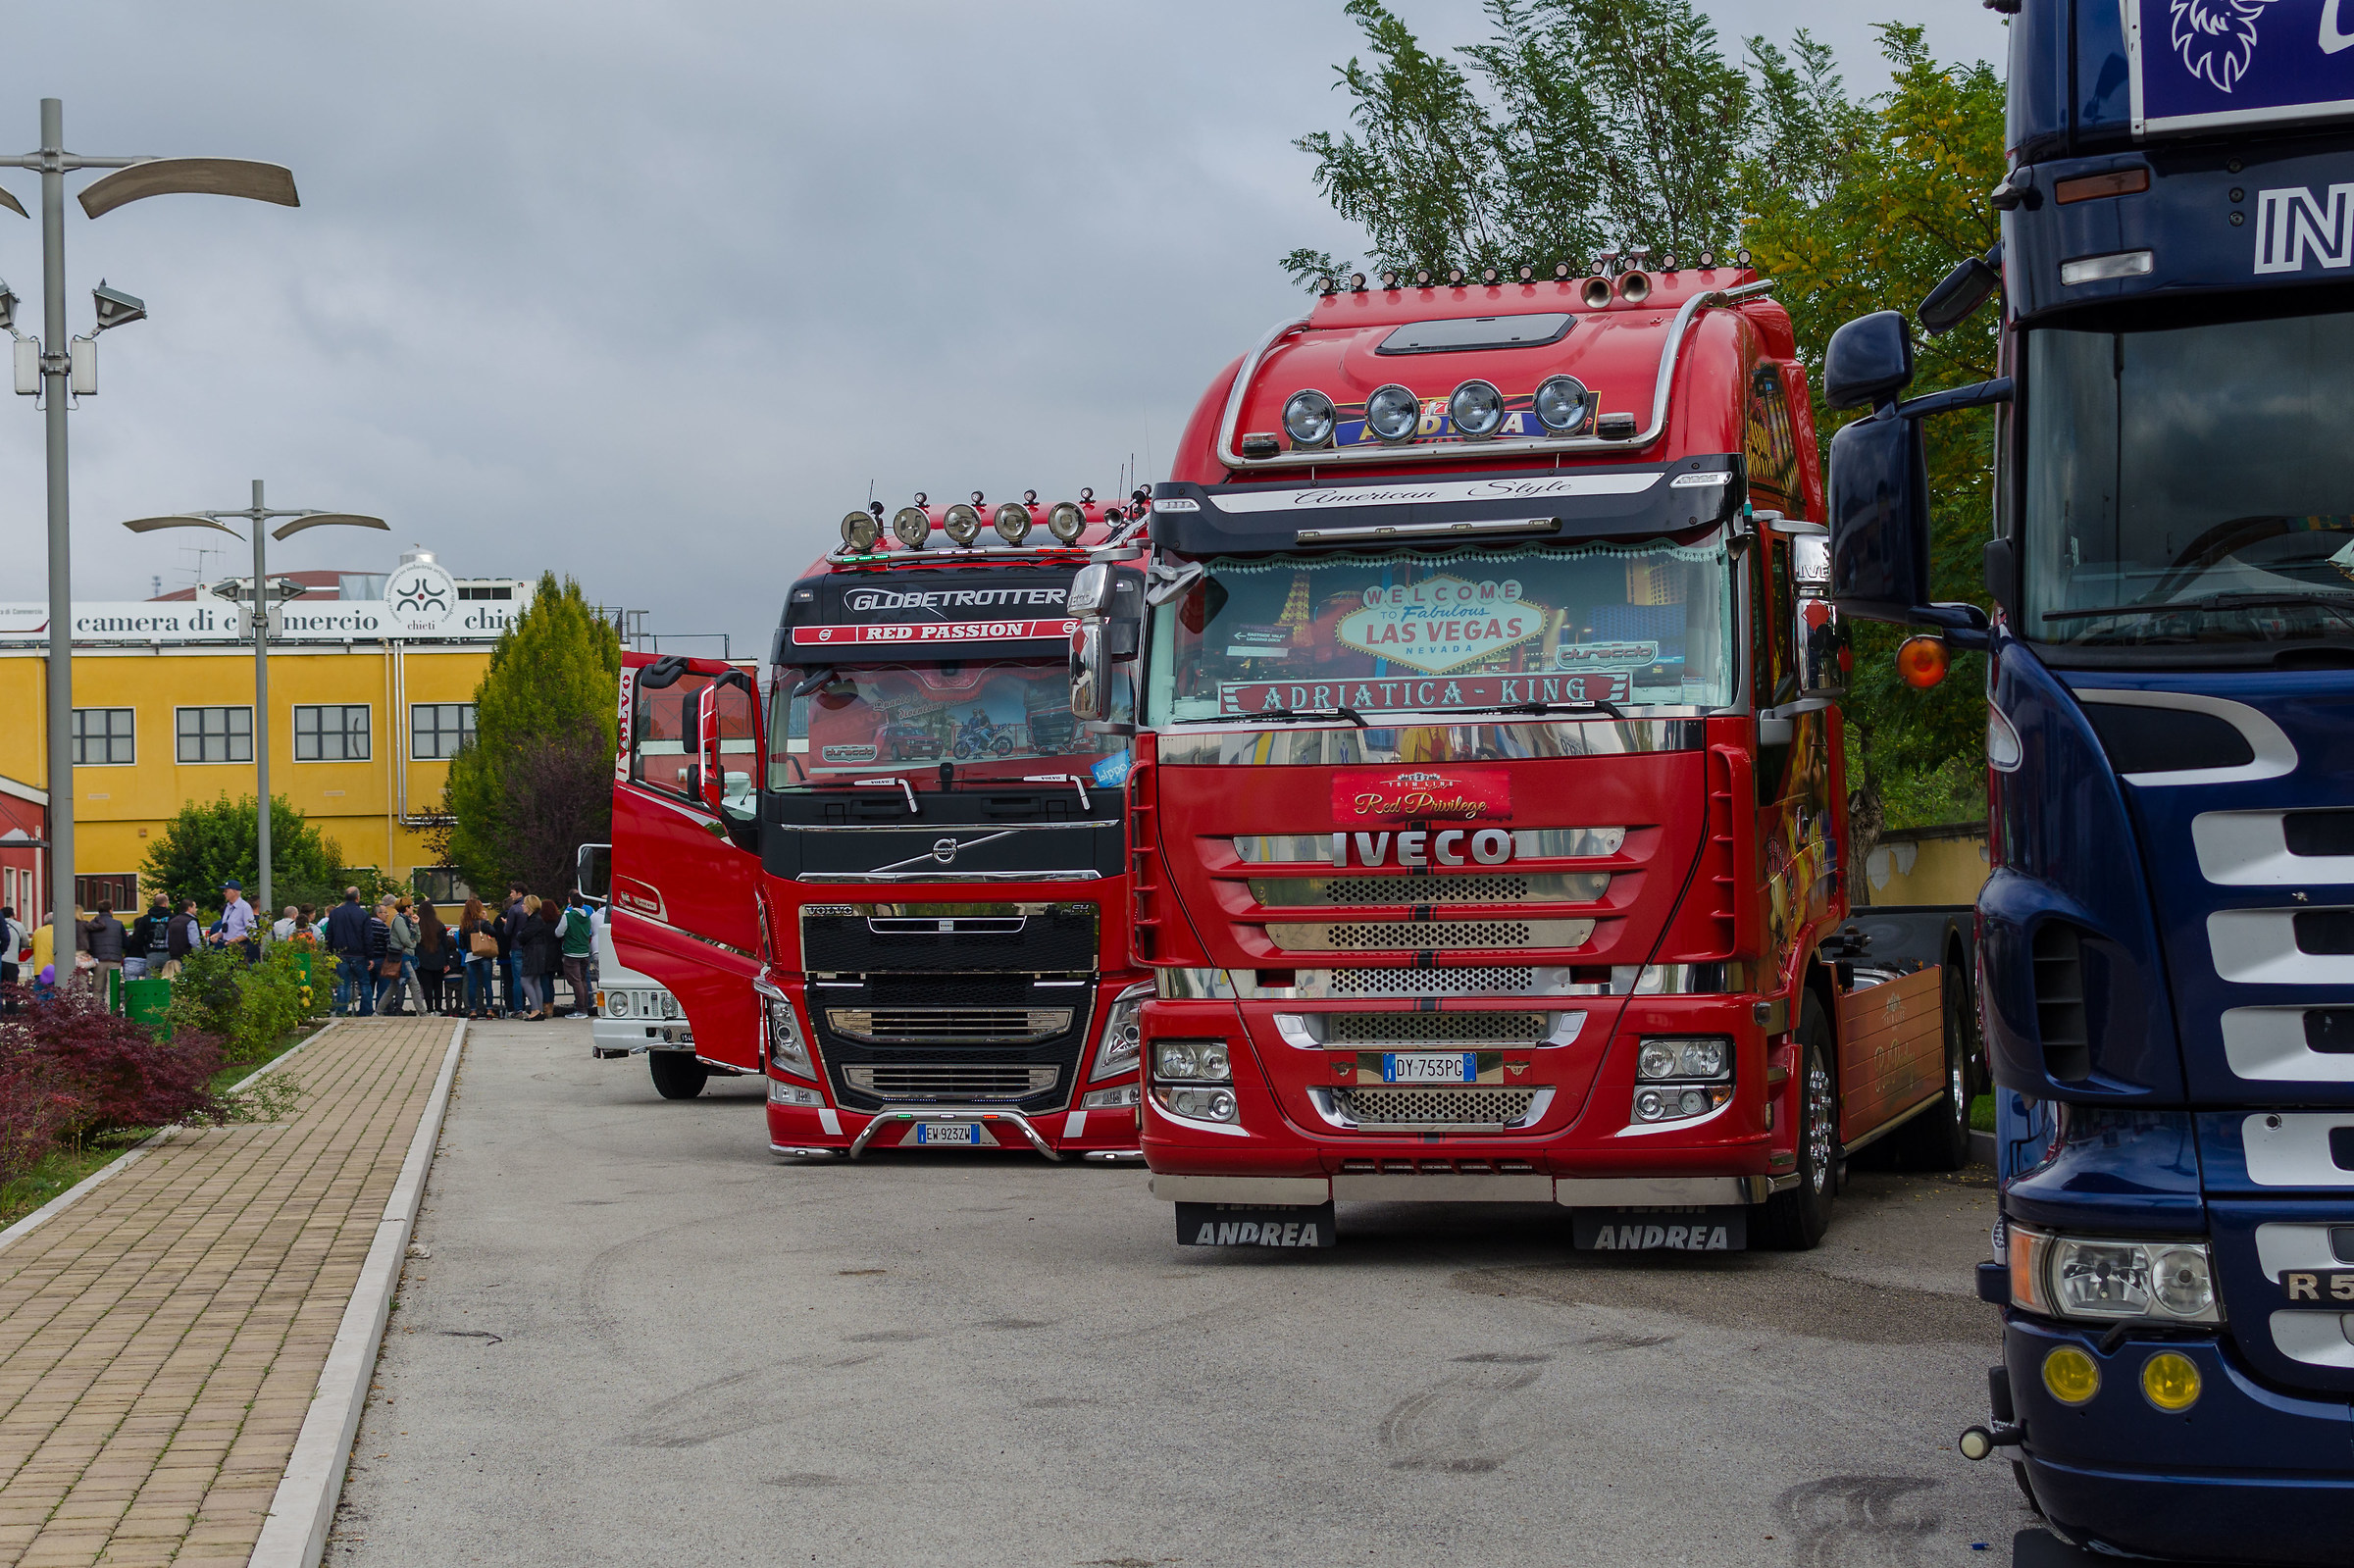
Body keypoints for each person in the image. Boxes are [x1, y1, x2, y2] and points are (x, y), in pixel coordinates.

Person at [324, 885, 373, 1017]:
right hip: (359, 955)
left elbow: (329, 934)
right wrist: (370, 956)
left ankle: (341, 1011)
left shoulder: (335, 913)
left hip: (340, 954)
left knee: (342, 984)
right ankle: (366, 1012)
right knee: (364, 984)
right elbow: (367, 937)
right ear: (358, 898)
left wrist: (329, 952)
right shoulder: (363, 914)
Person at [380, 895, 428, 1016]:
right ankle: (422, 1012)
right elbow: (406, 940)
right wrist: (413, 944)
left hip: (406, 956)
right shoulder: (399, 920)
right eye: (411, 906)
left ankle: (378, 1011)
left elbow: (418, 938)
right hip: (402, 957)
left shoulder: (408, 921)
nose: (413, 908)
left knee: (393, 987)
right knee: (415, 985)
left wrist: (416, 924)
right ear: (406, 908)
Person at [557, 889, 595, 1018]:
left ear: (570, 902)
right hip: (585, 952)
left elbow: (559, 932)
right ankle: (585, 1006)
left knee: (575, 981)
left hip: (572, 952)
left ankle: (580, 1009)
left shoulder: (568, 916)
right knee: (583, 980)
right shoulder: (588, 917)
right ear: (583, 903)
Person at [457, 894, 495, 1019]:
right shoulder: (483, 924)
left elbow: (461, 944)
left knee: (472, 984)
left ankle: (472, 1010)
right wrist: (487, 920)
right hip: (484, 955)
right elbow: (495, 933)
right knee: (487, 984)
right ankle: (489, 1010)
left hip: (470, 956)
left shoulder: (464, 925)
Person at [81, 901, 128, 993]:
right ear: (111, 910)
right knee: (112, 989)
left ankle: (97, 1007)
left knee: (97, 988)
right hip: (115, 959)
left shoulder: (92, 925)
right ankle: (111, 1007)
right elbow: (126, 943)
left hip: (98, 960)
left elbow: (87, 941)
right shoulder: (118, 924)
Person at [498, 882, 529, 1017]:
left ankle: (518, 1009)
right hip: (529, 947)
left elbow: (508, 931)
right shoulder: (530, 906)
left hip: (516, 946)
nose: (510, 895)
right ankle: (535, 1006)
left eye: (512, 892)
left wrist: (506, 924)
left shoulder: (514, 909)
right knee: (531, 978)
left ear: (519, 893)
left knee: (517, 979)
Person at [415, 903, 451, 1015]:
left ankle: (429, 1009)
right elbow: (445, 945)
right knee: (438, 985)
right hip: (438, 958)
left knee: (427, 986)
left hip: (423, 959)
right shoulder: (439, 925)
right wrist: (446, 962)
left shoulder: (418, 925)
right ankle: (438, 1009)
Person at [127, 894, 172, 980]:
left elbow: (139, 937)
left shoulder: (146, 919)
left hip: (152, 954)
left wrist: (147, 946)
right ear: (165, 904)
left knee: (151, 980)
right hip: (168, 954)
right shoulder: (171, 918)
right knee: (168, 980)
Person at [218, 881, 260, 963]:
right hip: (226, 947)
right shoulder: (228, 907)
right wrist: (218, 934)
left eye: (226, 891)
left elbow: (252, 930)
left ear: (234, 892)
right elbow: (227, 925)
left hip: (239, 947)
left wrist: (236, 940)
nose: (224, 893)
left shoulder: (245, 907)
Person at [165, 899, 200, 977]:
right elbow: (194, 941)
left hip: (174, 958)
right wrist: (199, 954)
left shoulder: (172, 921)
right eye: (195, 907)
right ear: (189, 908)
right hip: (188, 957)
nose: (196, 909)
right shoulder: (191, 921)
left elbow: (167, 941)